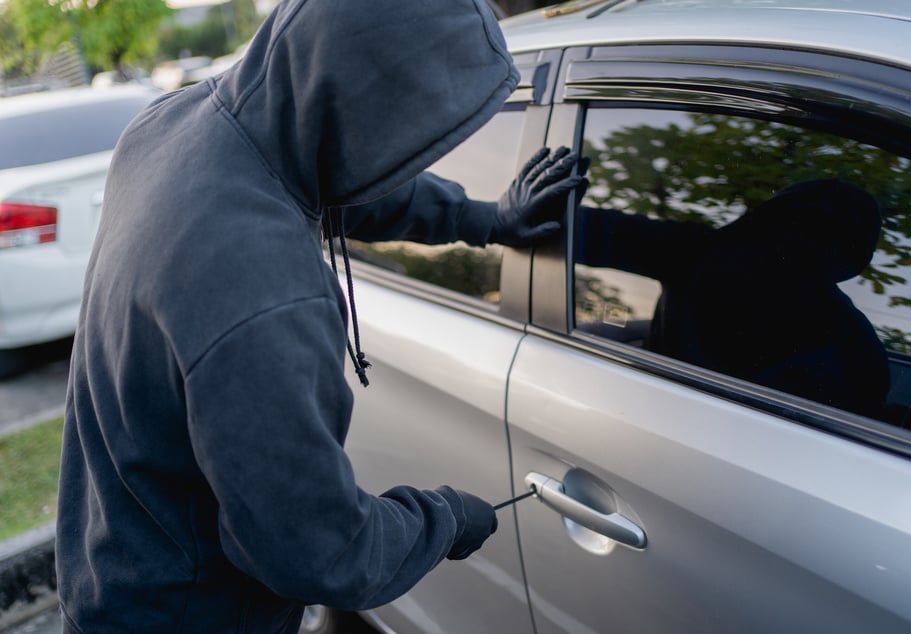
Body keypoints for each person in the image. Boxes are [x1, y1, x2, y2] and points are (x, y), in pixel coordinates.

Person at [55, 1, 584, 632]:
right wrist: (442, 520)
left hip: (111, 569)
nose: (415, 153)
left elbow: (325, 177)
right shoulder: (260, 288)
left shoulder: (172, 126)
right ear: (363, 111)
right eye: (415, 133)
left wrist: (482, 220)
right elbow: (318, 552)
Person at [576, 178, 889, 417]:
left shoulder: (848, 338)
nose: (815, 247)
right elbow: (587, 231)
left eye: (833, 242)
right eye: (807, 230)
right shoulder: (695, 250)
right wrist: (550, 223)